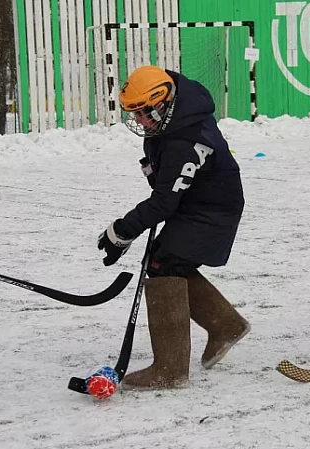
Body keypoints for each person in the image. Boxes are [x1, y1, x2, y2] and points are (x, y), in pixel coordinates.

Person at [97, 65, 250, 390]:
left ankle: (170, 368)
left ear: (164, 102)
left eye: (143, 112)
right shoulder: (179, 111)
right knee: (165, 260)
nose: (139, 120)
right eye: (134, 113)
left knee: (163, 264)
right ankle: (225, 326)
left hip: (212, 210)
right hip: (197, 202)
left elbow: (164, 203)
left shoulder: (185, 137)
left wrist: (121, 231)